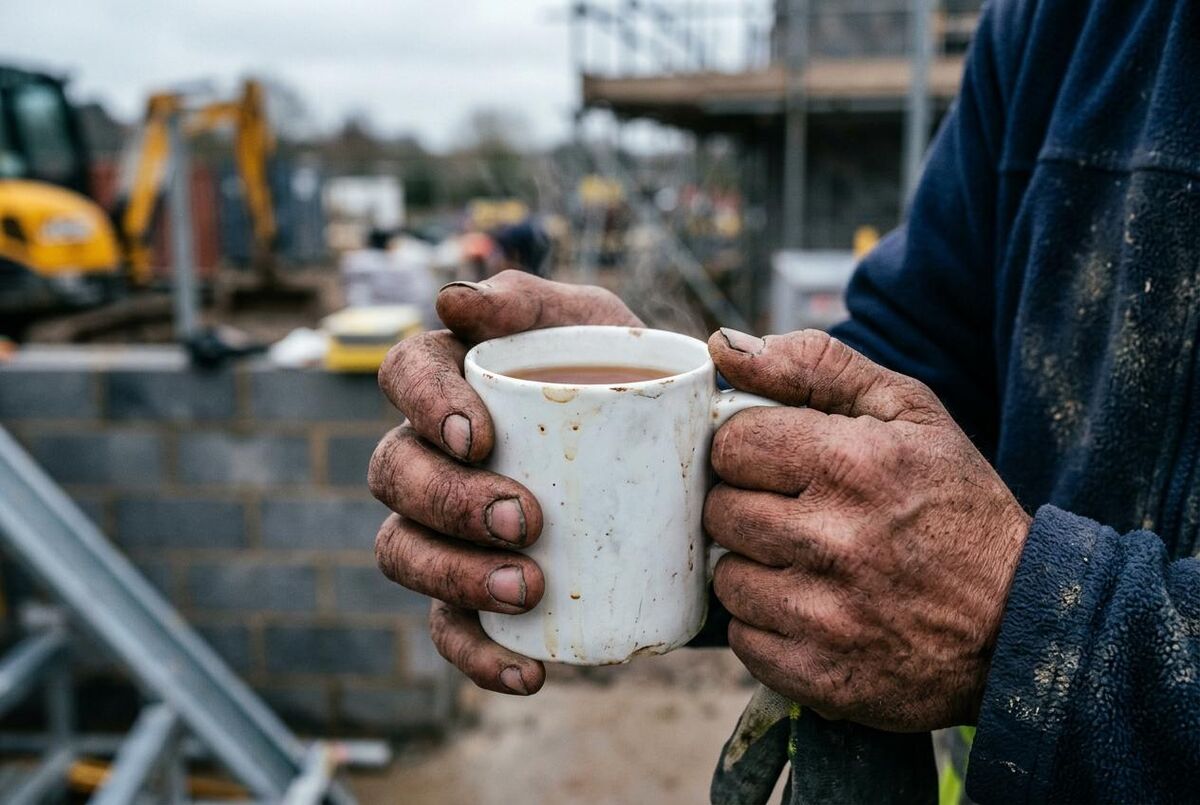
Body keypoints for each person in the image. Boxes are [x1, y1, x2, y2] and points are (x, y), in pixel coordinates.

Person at [368, 0, 1200, 801]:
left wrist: (1036, 630)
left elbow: (990, 587)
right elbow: (916, 357)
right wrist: (660, 440)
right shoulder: (1061, 22)